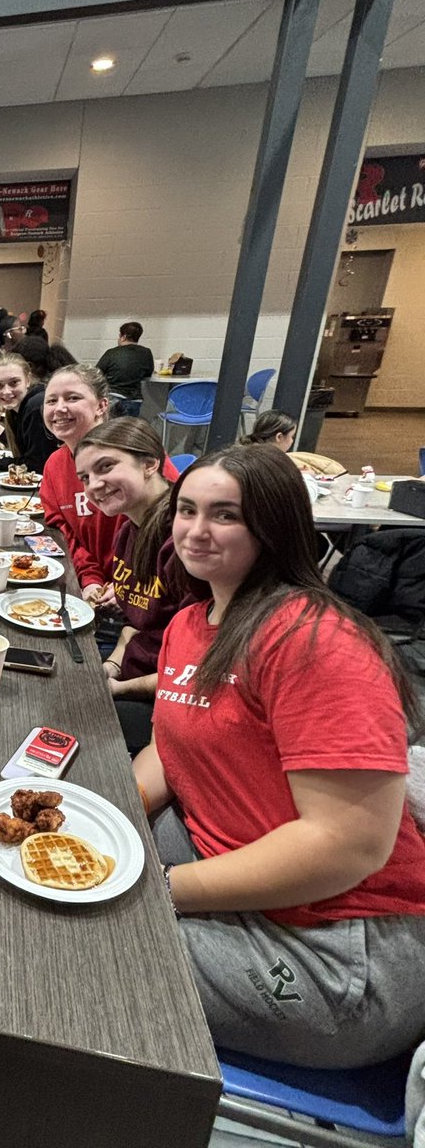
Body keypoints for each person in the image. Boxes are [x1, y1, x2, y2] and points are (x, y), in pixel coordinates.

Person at [134, 444, 425, 1069]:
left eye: (226, 515)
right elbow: (170, 746)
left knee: (82, 947)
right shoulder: (192, 622)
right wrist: (109, 811)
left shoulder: (315, 641)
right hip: (229, 864)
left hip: (333, 949)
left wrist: (162, 888)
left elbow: (347, 846)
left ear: (274, 528)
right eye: (187, 509)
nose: (196, 531)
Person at [75, 418, 191, 754]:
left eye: (106, 467)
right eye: (85, 477)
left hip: (169, 699)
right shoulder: (129, 529)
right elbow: (136, 623)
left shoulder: (184, 539)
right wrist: (111, 666)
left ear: (150, 463)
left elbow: (195, 670)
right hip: (132, 674)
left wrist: (119, 689)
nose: (94, 485)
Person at [40, 364, 178, 605]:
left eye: (72, 398)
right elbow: (63, 533)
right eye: (51, 401)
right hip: (97, 589)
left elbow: (173, 525)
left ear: (101, 406)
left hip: (150, 592)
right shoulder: (54, 465)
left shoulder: (135, 453)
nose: (60, 408)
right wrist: (90, 578)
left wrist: (131, 584)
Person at [0, 348, 60, 474]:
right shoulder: (20, 407)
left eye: (14, 383)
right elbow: (33, 448)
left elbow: (37, 465)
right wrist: (3, 435)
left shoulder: (36, 407)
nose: (7, 391)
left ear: (28, 380)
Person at [95, 322, 154, 406]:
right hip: (135, 399)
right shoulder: (146, 353)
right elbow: (148, 373)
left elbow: (97, 373)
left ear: (123, 337)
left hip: (114, 396)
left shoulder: (112, 353)